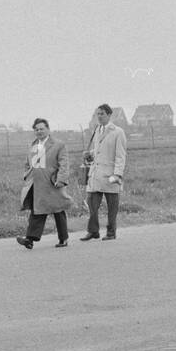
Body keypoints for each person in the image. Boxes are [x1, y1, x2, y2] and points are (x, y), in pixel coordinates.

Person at [17, 118, 72, 249]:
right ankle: (29, 239)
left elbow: (64, 164)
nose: (39, 131)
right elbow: (28, 163)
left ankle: (63, 239)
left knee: (58, 210)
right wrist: (27, 175)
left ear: (48, 129)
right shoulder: (33, 145)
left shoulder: (59, 145)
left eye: (41, 128)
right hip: (37, 185)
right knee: (37, 211)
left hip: (52, 183)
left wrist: (61, 179)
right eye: (36, 129)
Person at [80, 103, 127, 241]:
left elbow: (120, 155)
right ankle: (93, 231)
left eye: (102, 114)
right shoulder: (97, 130)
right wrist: (90, 154)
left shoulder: (118, 132)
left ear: (109, 115)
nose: (99, 117)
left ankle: (111, 233)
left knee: (112, 207)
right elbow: (99, 150)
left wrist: (117, 174)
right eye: (97, 114)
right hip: (96, 174)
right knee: (92, 203)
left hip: (110, 175)